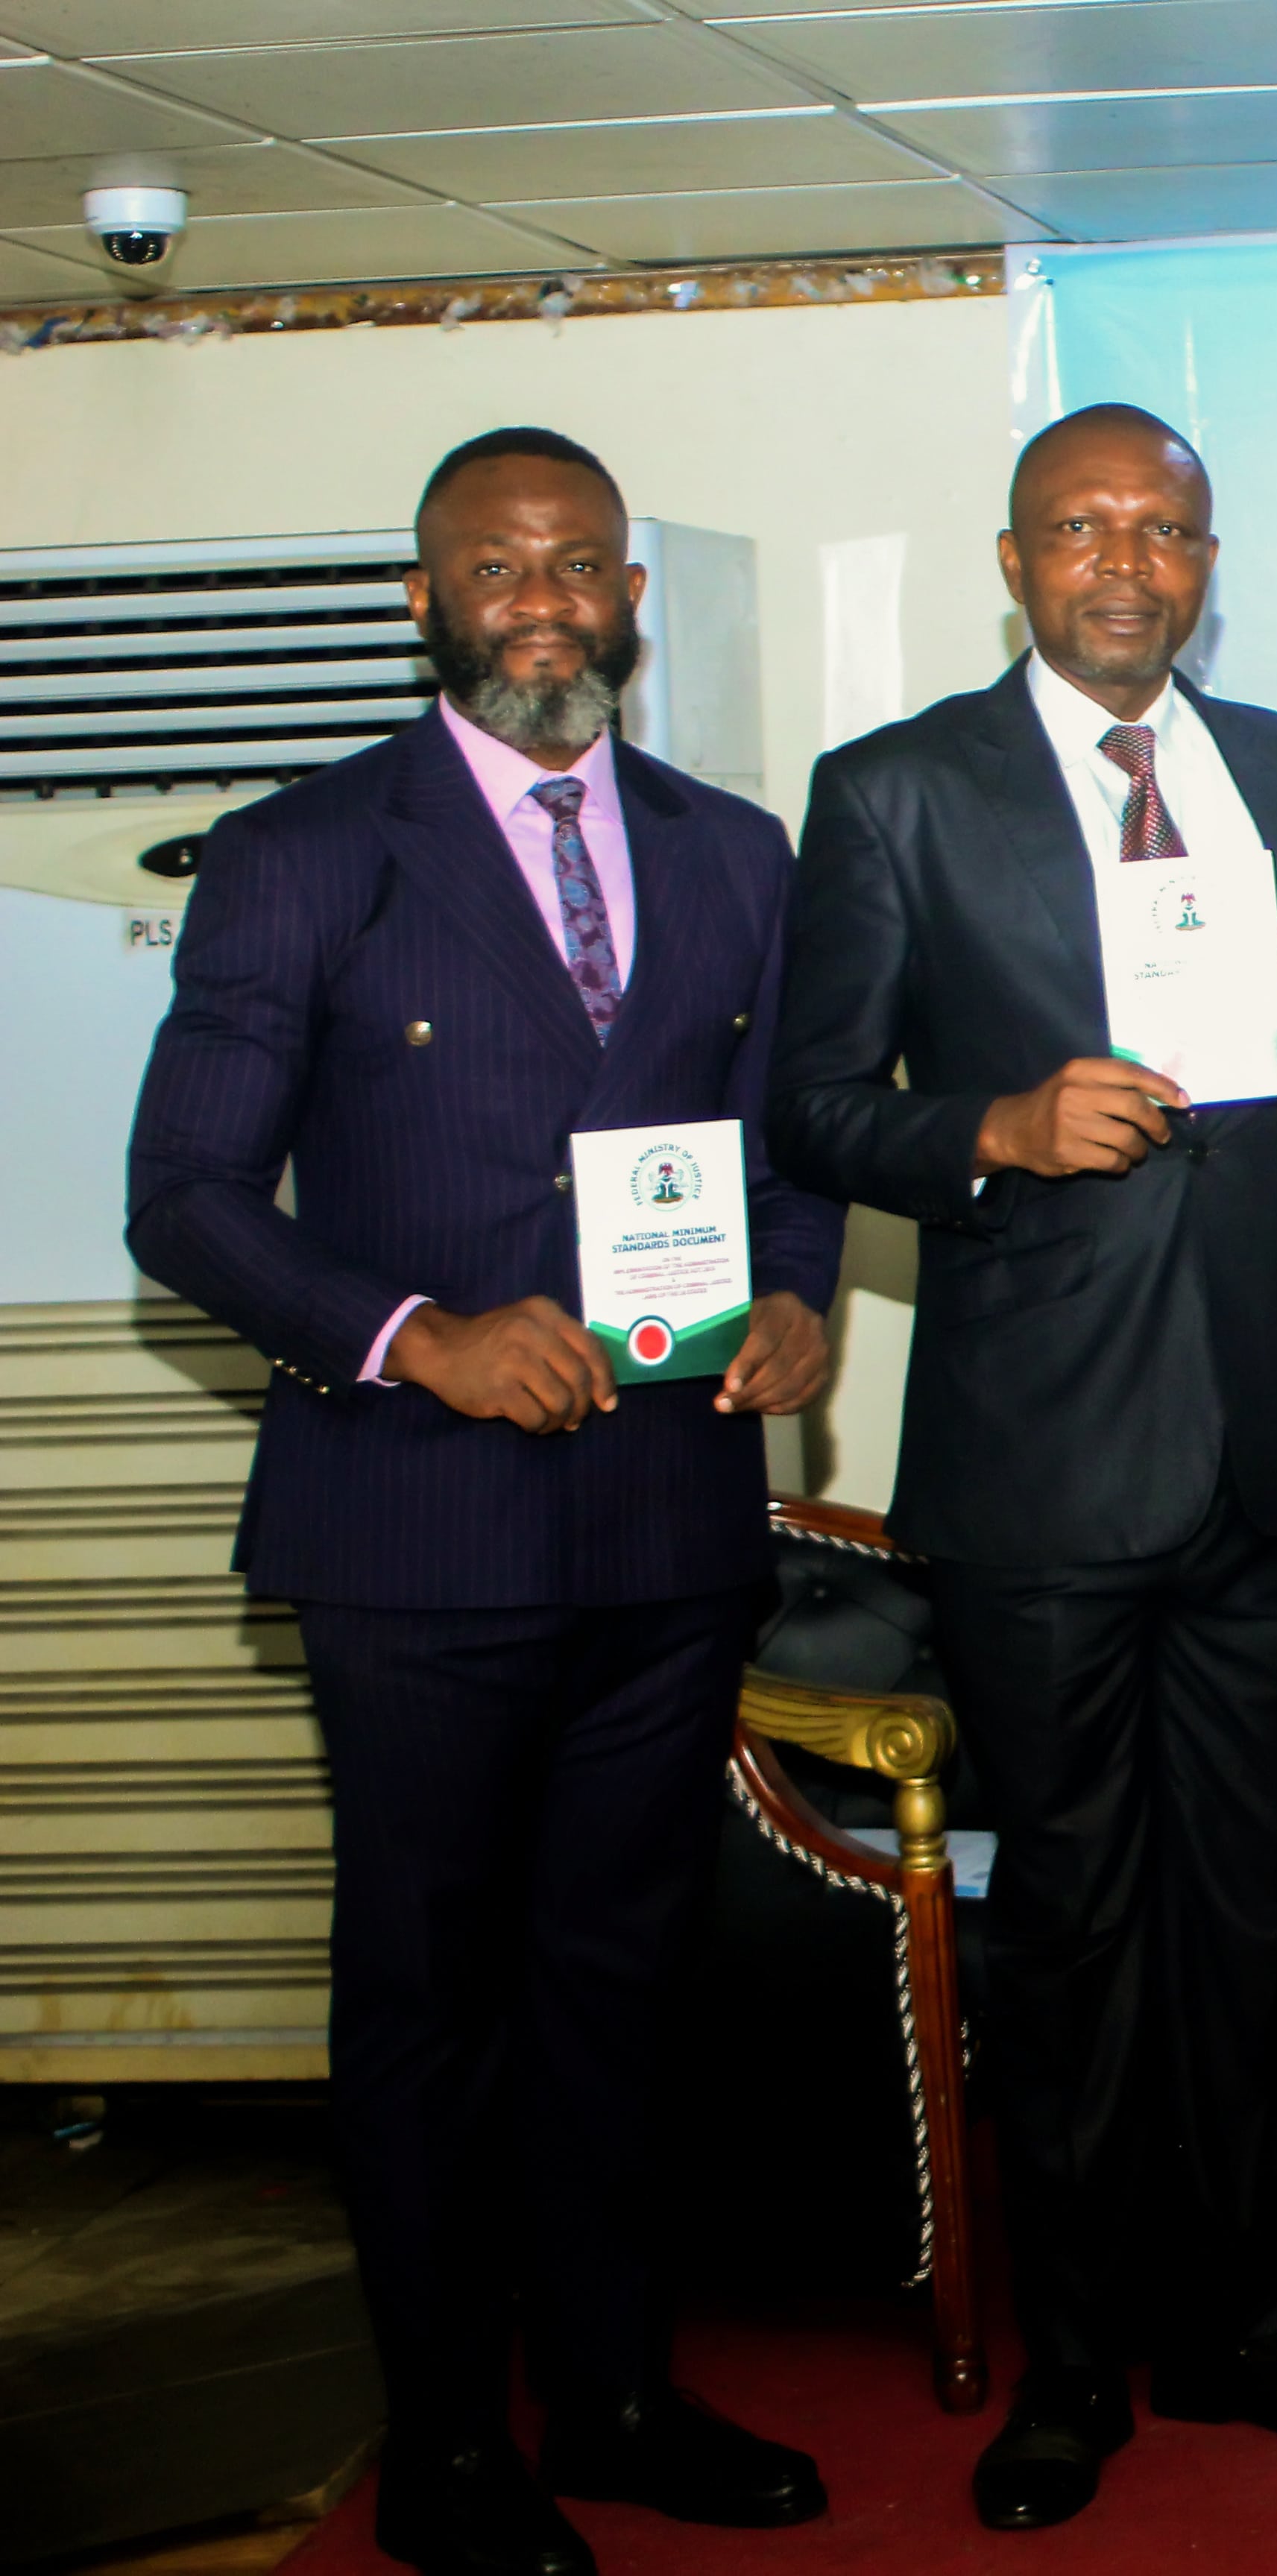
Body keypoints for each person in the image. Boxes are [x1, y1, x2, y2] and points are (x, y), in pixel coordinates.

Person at [127, 428, 840, 2576]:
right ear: (425, 603)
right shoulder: (304, 854)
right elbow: (183, 1196)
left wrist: (796, 1299)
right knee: (432, 2009)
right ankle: (445, 2444)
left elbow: (785, 1146)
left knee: (624, 1985)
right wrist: (411, 1334)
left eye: (579, 565)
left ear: (632, 597)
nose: (544, 603)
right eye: (497, 568)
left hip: (666, 1523)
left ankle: (613, 2397)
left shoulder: (734, 851)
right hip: (415, 1535)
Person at [768, 404, 1277, 2530]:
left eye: (1162, 530)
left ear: (1207, 562)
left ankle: (1245, 2323)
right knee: (1071, 1927)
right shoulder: (896, 793)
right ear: (1014, 560)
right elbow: (809, 1106)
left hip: (1271, 1452)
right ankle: (1071, 2370)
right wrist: (991, 1126)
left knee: (1253, 1917)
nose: (1124, 563)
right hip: (1043, 1463)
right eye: (1081, 528)